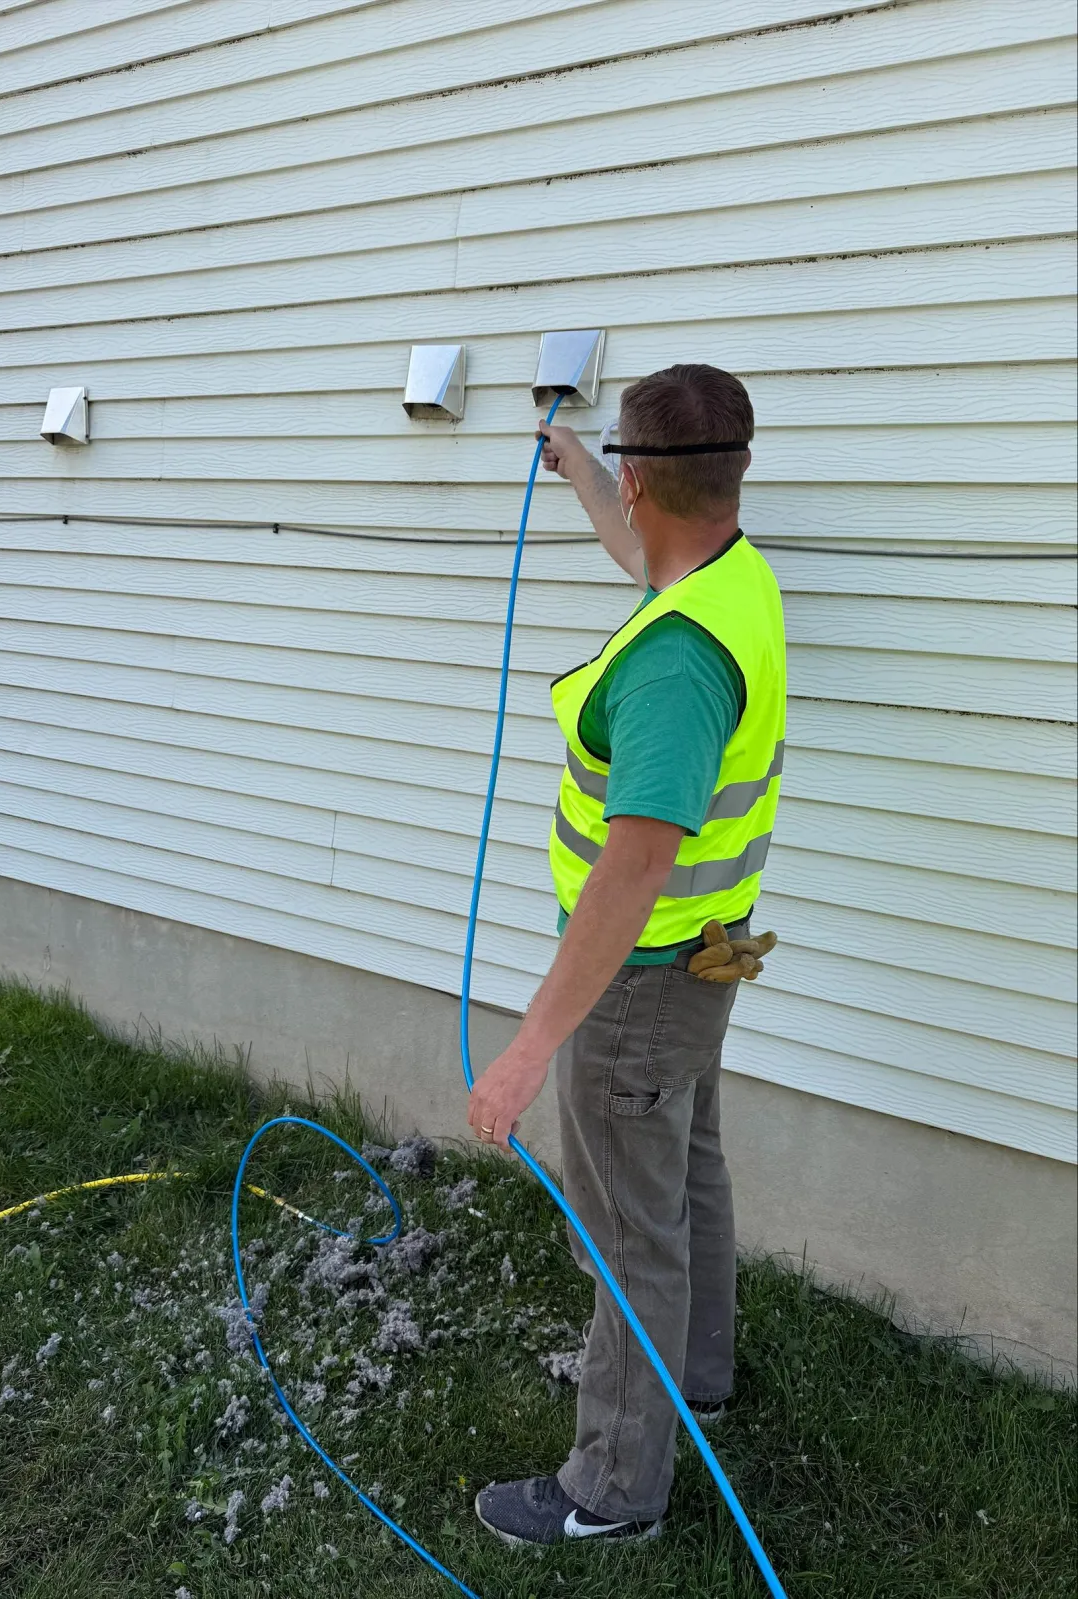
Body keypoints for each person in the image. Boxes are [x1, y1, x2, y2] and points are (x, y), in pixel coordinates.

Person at [467, 363, 787, 1546]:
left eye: (624, 475)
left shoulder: (671, 666)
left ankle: (612, 1487)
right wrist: (584, 472)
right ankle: (690, 1385)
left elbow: (634, 864)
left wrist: (525, 1050)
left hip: (641, 980)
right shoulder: (727, 578)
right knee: (685, 1182)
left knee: (626, 1229)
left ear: (655, 479)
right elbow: (640, 551)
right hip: (704, 961)